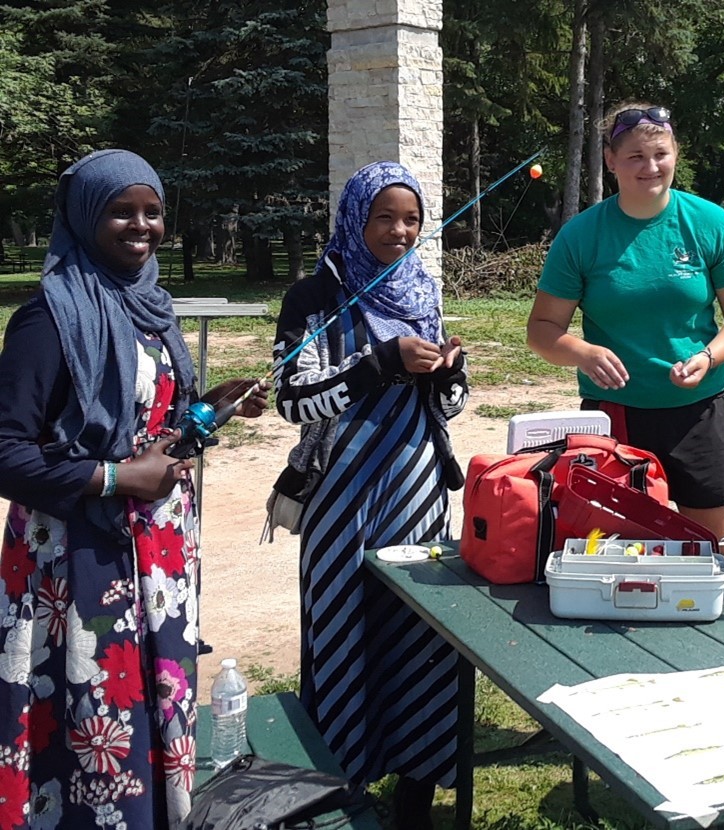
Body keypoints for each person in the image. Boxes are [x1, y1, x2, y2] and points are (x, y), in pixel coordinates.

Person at [0, 149, 269, 827]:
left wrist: (210, 408)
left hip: (159, 557)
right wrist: (118, 477)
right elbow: (7, 454)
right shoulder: (48, 318)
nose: (141, 225)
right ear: (85, 215)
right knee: (92, 728)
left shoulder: (150, 306)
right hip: (77, 565)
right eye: (122, 210)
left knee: (152, 710)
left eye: (152, 211)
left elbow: (153, 432)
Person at [273, 161, 468, 828]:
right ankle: (340, 791)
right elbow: (292, 401)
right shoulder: (312, 299)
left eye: (410, 218)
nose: (399, 230)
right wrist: (377, 365)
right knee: (341, 632)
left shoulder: (423, 291)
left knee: (420, 638)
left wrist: (450, 373)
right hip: (341, 498)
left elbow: (447, 408)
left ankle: (417, 792)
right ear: (355, 218)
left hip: (415, 491)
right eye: (384, 216)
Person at [527, 102, 724, 555]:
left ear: (676, 154)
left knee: (722, 551)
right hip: (614, 417)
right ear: (610, 160)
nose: (650, 167)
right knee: (616, 551)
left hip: (699, 410)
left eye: (660, 153)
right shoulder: (581, 235)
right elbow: (541, 329)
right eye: (635, 156)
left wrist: (709, 355)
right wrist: (583, 352)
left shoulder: (709, 222)